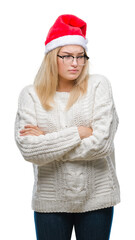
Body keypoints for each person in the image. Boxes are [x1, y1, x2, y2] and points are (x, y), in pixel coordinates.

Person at [14, 14, 120, 240]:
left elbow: (101, 145)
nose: (76, 63)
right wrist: (79, 133)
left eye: (81, 56)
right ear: (52, 57)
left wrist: (47, 140)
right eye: (68, 56)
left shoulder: (98, 85)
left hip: (97, 198)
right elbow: (30, 150)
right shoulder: (30, 95)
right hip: (50, 202)